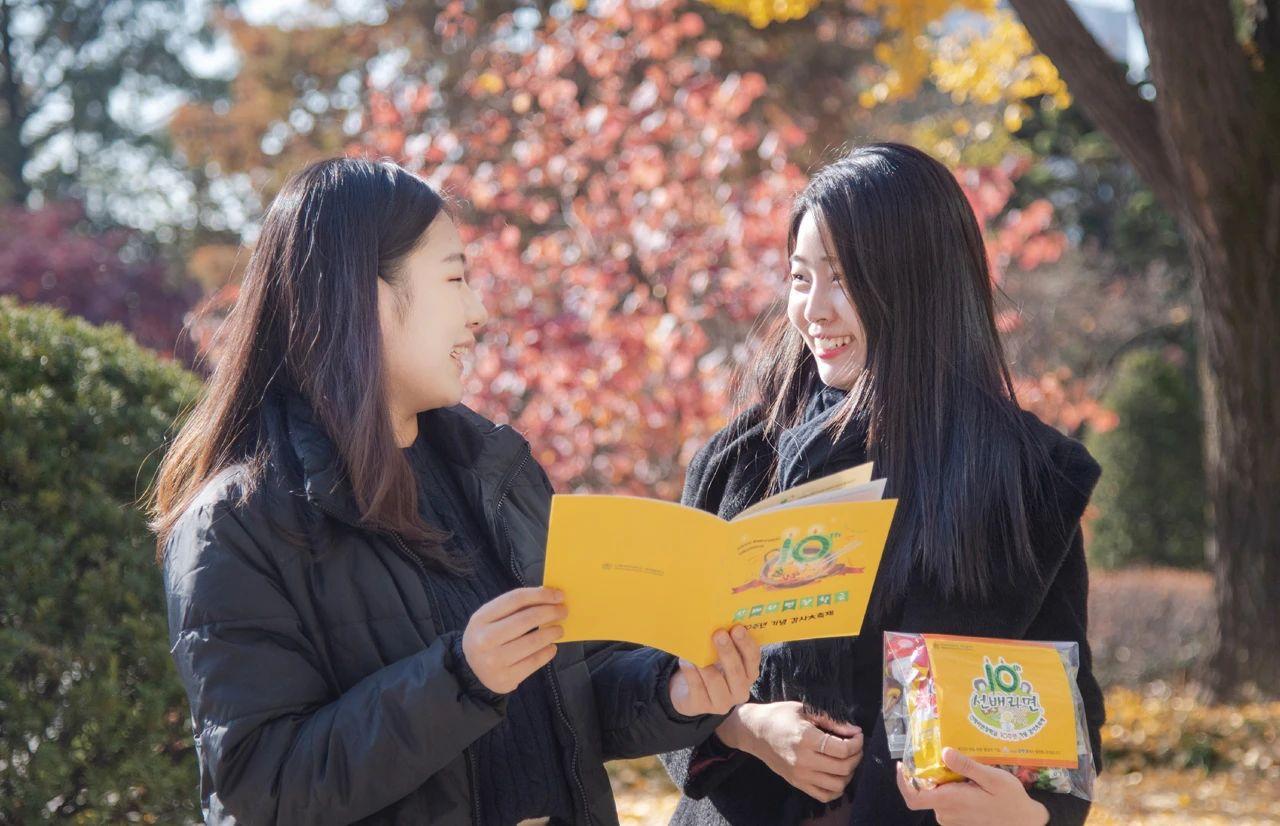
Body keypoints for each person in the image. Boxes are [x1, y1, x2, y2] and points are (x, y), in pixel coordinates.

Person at [151, 157, 761, 826]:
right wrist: (459, 680)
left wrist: (675, 691)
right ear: (367, 296)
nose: (477, 312)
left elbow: (574, 692)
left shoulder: (497, 473)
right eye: (455, 278)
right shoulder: (237, 525)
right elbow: (260, 791)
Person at [660, 143, 1104, 825]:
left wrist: (1027, 815)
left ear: (919, 283)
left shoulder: (1024, 482)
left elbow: (1068, 731)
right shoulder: (738, 463)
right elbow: (661, 681)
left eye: (843, 279)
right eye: (800, 277)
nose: (814, 311)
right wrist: (745, 728)